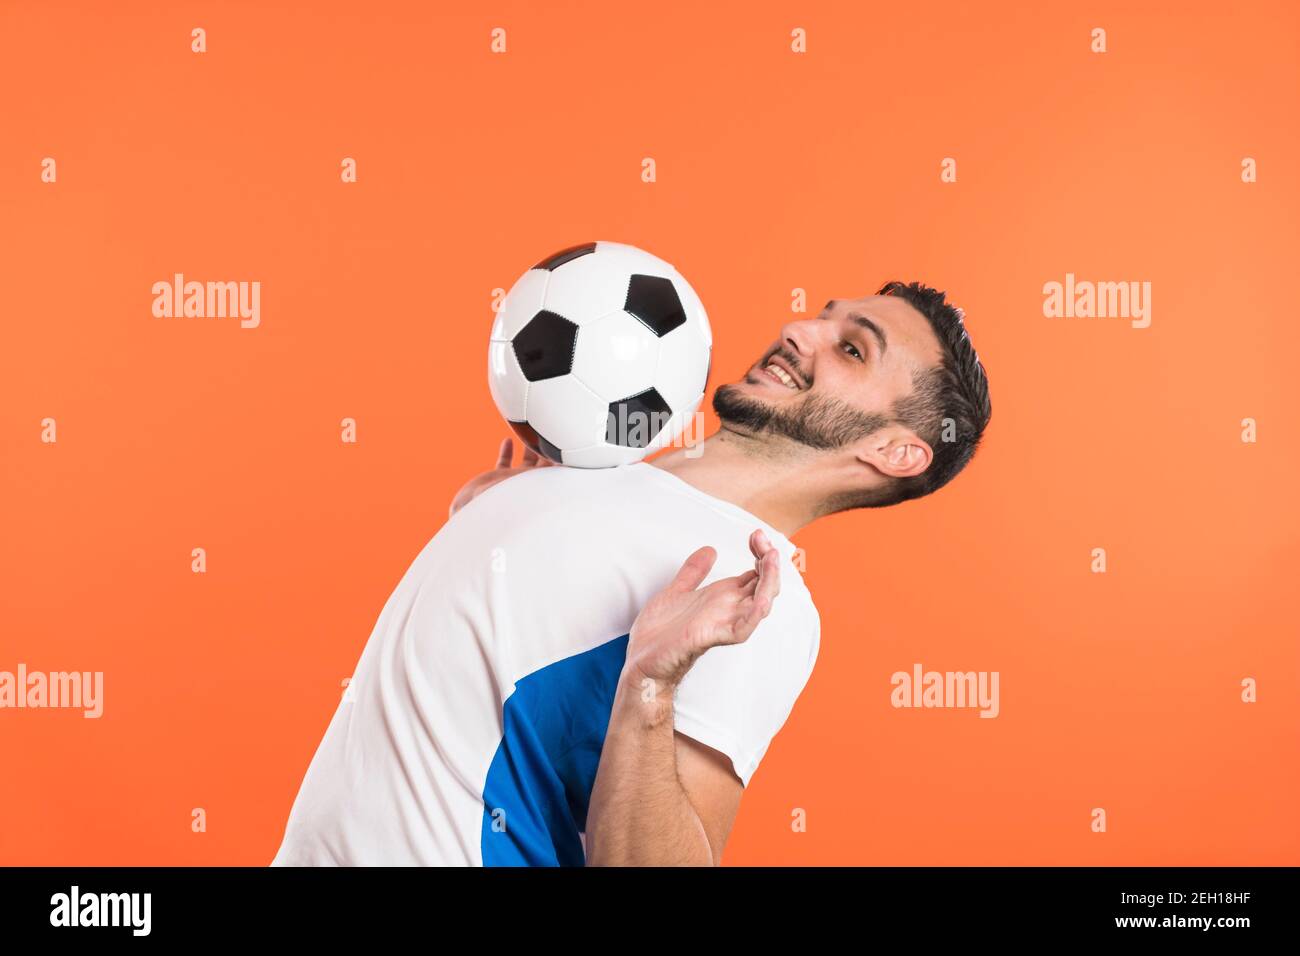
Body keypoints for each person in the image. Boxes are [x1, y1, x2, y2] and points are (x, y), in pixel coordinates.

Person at [271, 280, 992, 866]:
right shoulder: (597, 471)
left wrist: (652, 684)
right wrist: (489, 528)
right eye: (821, 317)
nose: (800, 329)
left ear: (896, 452)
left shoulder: (752, 591)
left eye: (853, 350)